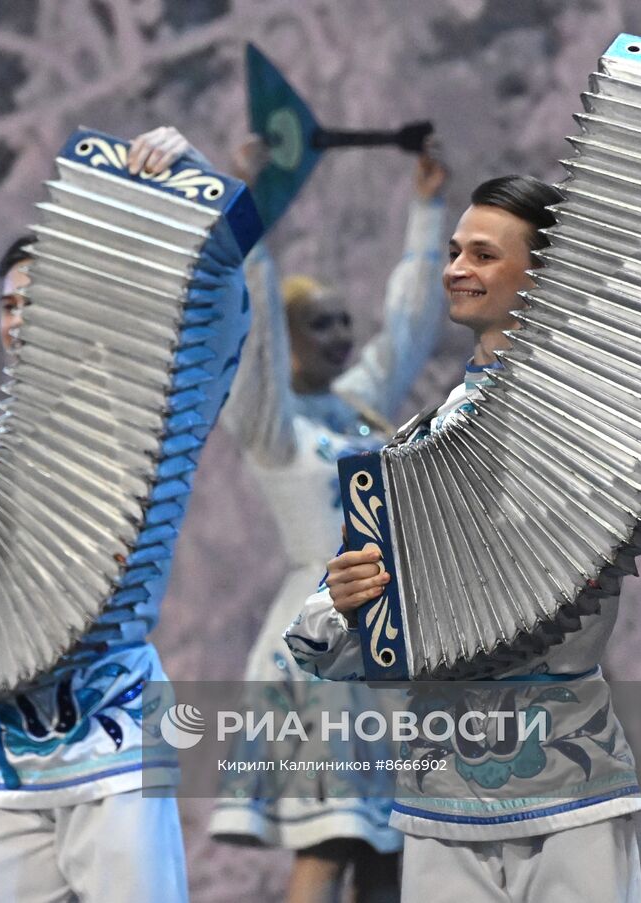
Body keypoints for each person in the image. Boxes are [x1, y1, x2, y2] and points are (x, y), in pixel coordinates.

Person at [282, 32, 641, 903]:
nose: (456, 270)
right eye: (454, 251)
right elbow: (331, 646)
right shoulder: (417, 448)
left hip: (571, 788)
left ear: (545, 276)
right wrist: (342, 600)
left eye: (482, 254)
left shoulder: (605, 400)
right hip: (437, 802)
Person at [0, 126, 205, 903]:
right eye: (10, 305)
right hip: (5, 759)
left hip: (115, 738)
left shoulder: (130, 433)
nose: (20, 321)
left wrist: (190, 184)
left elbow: (200, 311)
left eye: (39, 304)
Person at [207, 137, 448, 903]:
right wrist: (248, 216)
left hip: (391, 639)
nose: (341, 336)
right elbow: (252, 337)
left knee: (392, 846)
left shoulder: (357, 405)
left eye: (344, 322)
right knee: (332, 836)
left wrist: (427, 211)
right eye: (320, 324)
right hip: (322, 641)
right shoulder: (274, 427)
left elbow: (407, 328)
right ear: (285, 334)